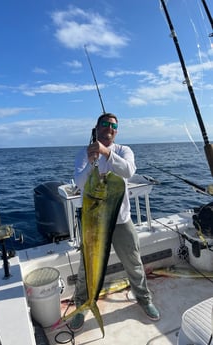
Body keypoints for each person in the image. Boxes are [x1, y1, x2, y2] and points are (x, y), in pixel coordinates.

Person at [70, 112, 160, 331]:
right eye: (105, 124)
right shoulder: (85, 152)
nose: (109, 128)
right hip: (93, 222)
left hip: (121, 220)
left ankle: (143, 298)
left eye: (113, 126)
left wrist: (106, 153)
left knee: (133, 262)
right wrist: (93, 159)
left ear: (116, 131)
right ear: (97, 127)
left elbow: (128, 171)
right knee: (86, 267)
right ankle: (82, 305)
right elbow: (80, 183)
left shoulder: (123, 151)